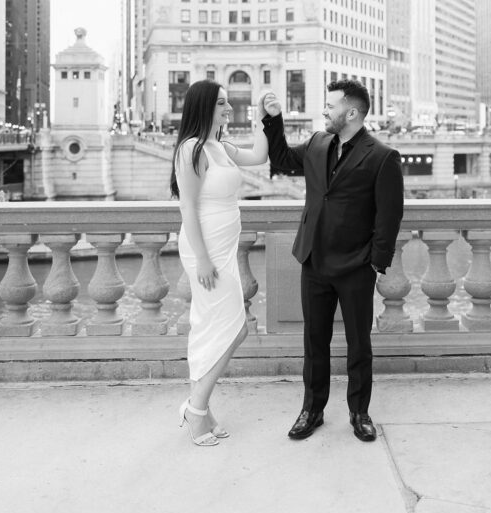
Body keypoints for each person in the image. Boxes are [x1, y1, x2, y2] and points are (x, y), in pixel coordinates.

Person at [259, 79, 404, 443]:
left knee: (359, 344)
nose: (324, 110)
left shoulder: (382, 156)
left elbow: (389, 217)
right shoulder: (318, 143)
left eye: (331, 105)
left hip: (356, 266)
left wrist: (375, 262)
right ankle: (313, 410)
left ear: (351, 112)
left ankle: (360, 412)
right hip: (314, 261)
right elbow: (281, 161)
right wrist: (272, 121)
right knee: (314, 341)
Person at [171, 79, 269, 447]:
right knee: (234, 328)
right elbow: (187, 207)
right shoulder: (192, 149)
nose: (229, 109)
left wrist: (264, 118)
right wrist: (202, 260)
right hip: (206, 248)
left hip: (224, 246)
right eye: (222, 103)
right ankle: (196, 410)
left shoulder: (221, 146)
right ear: (204, 107)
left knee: (215, 326)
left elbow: (260, 155)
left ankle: (202, 409)